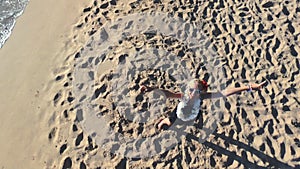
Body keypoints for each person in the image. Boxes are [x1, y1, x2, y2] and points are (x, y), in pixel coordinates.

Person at [140, 79, 266, 130]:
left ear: (201, 92)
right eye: (191, 89)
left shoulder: (202, 97)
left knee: (197, 119)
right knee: (169, 122)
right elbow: (167, 93)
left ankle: (198, 124)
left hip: (193, 115)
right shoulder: (183, 96)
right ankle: (164, 120)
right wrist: (151, 89)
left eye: (196, 91)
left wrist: (248, 87)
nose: (192, 93)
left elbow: (225, 92)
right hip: (178, 115)